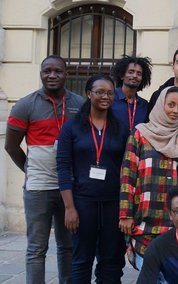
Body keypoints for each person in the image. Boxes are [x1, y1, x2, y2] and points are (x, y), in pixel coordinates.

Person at [5, 55, 83, 283]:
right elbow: (10, 146)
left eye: (57, 71)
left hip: (69, 188)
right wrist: (30, 169)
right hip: (38, 188)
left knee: (67, 245)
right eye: (46, 71)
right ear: (40, 73)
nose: (52, 75)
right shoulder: (25, 105)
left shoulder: (79, 104)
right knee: (36, 248)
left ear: (66, 74)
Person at [56, 75, 129, 282]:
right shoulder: (71, 128)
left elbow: (128, 167)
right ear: (89, 94)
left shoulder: (121, 128)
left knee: (111, 261)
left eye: (109, 93)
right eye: (99, 92)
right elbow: (62, 168)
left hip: (113, 203)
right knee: (81, 260)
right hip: (82, 203)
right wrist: (69, 208)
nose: (105, 97)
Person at [119, 86, 178, 272]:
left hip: (174, 220)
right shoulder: (140, 134)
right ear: (159, 105)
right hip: (144, 220)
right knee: (149, 274)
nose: (175, 111)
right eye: (170, 104)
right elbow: (127, 176)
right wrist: (125, 214)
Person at [110, 55, 151, 132]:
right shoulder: (110, 98)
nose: (135, 76)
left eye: (139, 74)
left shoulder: (144, 105)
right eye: (131, 72)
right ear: (122, 75)